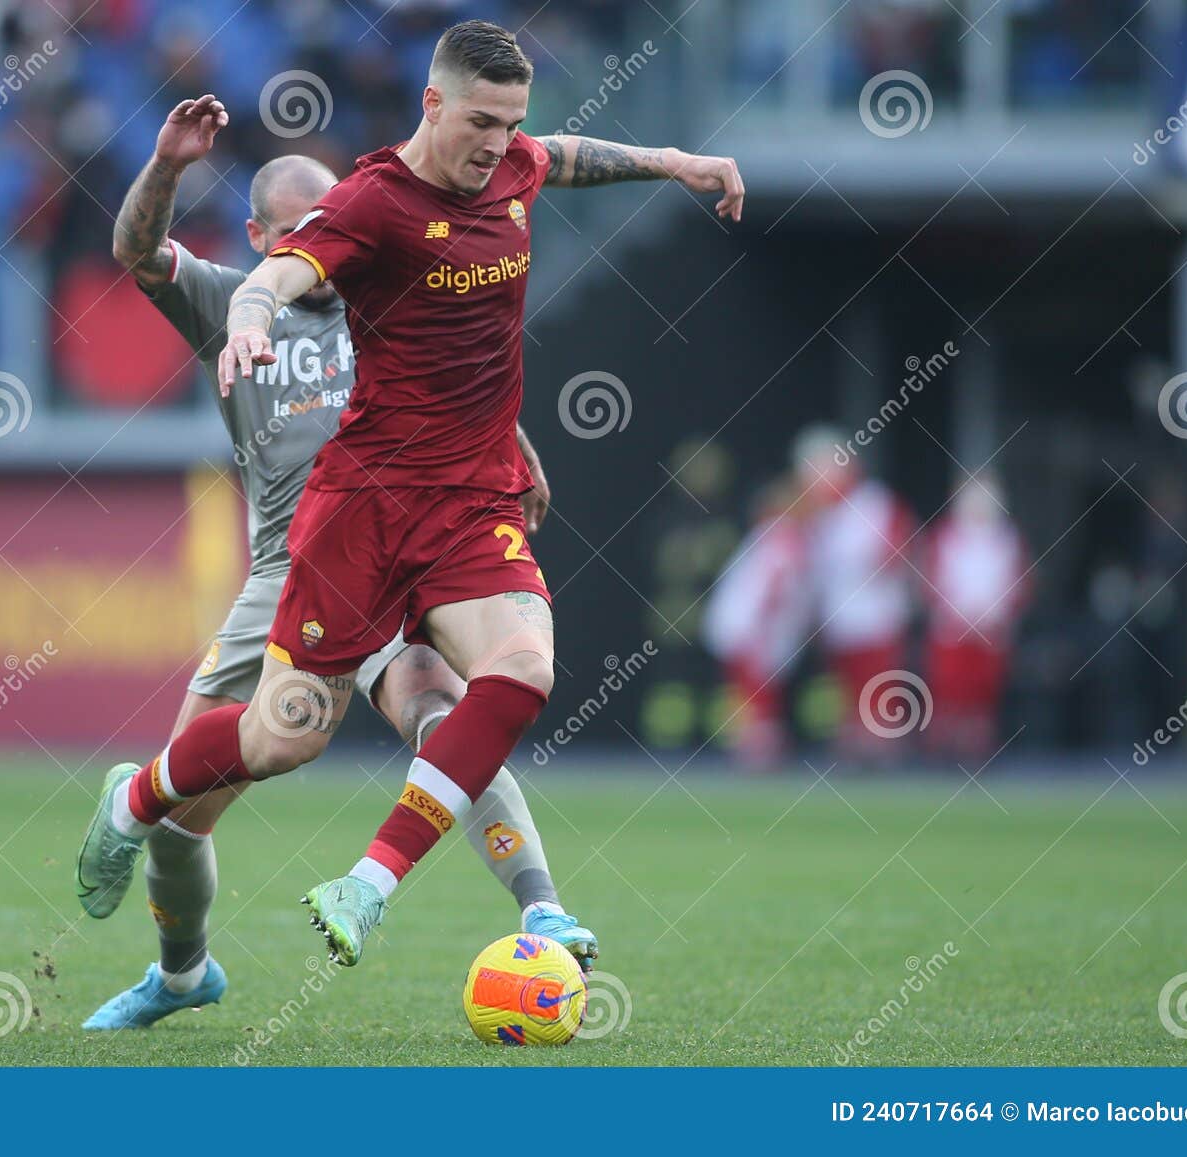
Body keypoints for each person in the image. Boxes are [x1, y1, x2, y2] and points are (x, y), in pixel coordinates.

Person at [77, 20, 745, 967]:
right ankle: (135, 806)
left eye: (509, 123)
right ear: (433, 104)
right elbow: (268, 274)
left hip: (470, 504)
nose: (496, 142)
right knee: (284, 736)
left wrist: (677, 160)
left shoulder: (509, 163)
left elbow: (567, 158)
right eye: (480, 121)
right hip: (351, 521)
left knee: (513, 674)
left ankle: (397, 885)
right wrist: (250, 319)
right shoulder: (371, 207)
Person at [80, 96, 595, 1027]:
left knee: (443, 709)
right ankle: (184, 973)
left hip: (406, 545)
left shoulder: (387, 287)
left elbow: (455, 382)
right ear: (260, 235)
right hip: (288, 566)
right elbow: (133, 253)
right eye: (296, 234)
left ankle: (541, 905)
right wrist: (164, 165)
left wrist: (513, 444)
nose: (323, 249)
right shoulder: (236, 295)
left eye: (330, 228)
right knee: (185, 807)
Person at [794, 427, 916, 759]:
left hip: (875, 619)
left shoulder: (874, 503)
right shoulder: (817, 518)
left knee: (878, 695)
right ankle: (854, 754)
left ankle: (882, 758)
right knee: (845, 696)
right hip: (839, 622)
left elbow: (898, 554)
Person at [921, 471, 1030, 759]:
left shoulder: (1006, 539)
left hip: (992, 630)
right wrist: (958, 617)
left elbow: (1018, 585)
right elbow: (931, 582)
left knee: (983, 695)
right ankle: (946, 752)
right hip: (951, 629)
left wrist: (995, 618)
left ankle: (977, 751)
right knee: (950, 693)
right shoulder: (945, 536)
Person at [703, 479, 811, 766]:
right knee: (758, 699)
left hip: (744, 628)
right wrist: (761, 635)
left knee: (754, 698)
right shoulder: (782, 536)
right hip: (752, 631)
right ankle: (757, 754)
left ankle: (755, 750)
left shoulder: (771, 535)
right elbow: (770, 590)